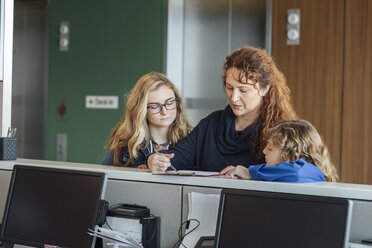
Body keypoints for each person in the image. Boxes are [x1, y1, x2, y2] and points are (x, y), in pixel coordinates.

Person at [148, 46, 297, 173]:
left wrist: (253, 173)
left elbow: (303, 173)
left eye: (243, 90)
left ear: (264, 88)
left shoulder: (281, 130)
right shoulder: (211, 123)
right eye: (229, 87)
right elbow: (177, 158)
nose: (234, 98)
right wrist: (154, 160)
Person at [101, 72, 193, 167]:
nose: (164, 112)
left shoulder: (190, 137)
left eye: (169, 103)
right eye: (155, 106)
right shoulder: (124, 141)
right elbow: (106, 176)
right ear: (141, 109)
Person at [220, 120, 339, 182]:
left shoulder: (310, 172)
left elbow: (296, 172)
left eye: (270, 148)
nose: (264, 152)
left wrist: (250, 172)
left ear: (291, 154)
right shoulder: (277, 178)